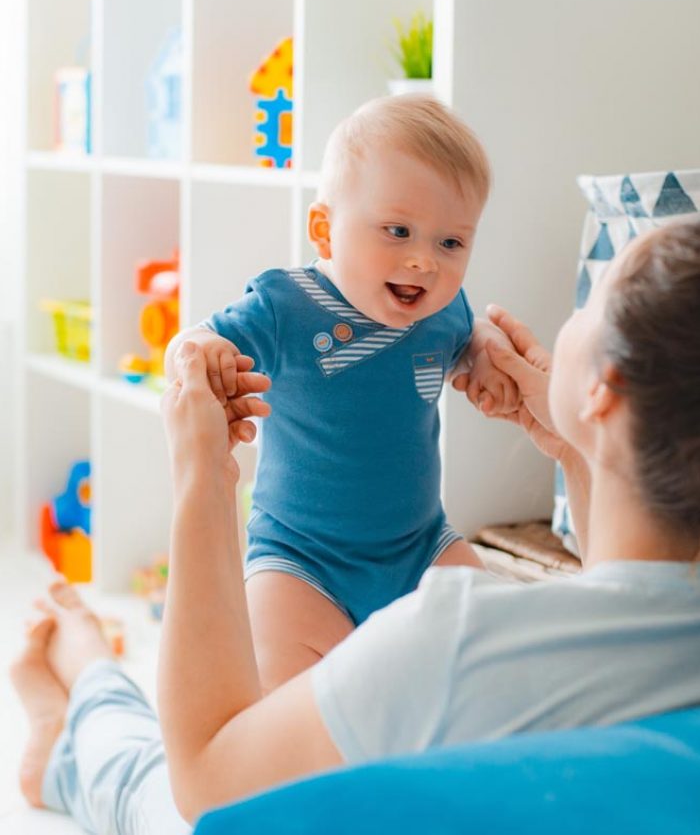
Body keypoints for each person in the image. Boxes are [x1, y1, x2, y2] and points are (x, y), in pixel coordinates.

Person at [11, 219, 700, 834]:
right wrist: (576, 449)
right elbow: (631, 594)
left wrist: (203, 476)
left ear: (601, 392)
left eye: (590, 301)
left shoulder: (455, 636)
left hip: (246, 796)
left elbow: (209, 786)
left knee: (150, 782)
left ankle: (87, 696)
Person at [164, 94, 518, 691]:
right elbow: (192, 342)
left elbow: (467, 337)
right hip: (300, 562)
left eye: (450, 243)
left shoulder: (442, 312)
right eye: (398, 230)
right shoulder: (285, 306)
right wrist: (200, 354)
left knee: (495, 647)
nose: (423, 262)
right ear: (325, 230)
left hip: (421, 546)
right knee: (284, 697)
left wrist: (486, 354)